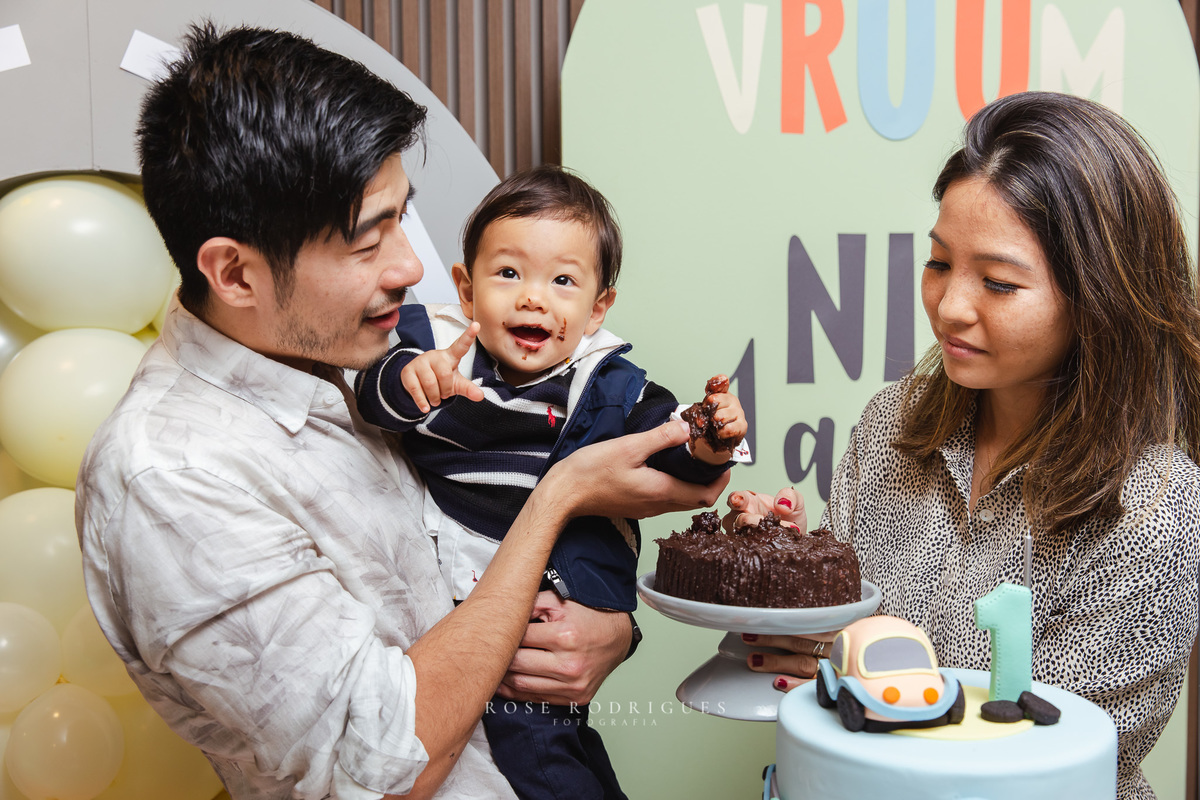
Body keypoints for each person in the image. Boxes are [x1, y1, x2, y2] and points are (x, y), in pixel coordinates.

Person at [74, 23, 727, 800]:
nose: (411, 267)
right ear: (236, 274)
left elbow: (462, 578)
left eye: (401, 216)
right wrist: (562, 495)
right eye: (366, 240)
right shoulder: (173, 478)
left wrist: (604, 632)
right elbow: (393, 765)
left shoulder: (353, 357)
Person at [729, 91, 1200, 800]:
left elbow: (1041, 755)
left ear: (1100, 298)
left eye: (1000, 283)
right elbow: (817, 656)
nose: (949, 306)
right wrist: (797, 574)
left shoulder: (1155, 512)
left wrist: (844, 660)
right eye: (940, 262)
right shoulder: (892, 424)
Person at [353, 165, 748, 799]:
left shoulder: (612, 386)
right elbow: (373, 392)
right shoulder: (437, 347)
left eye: (563, 281)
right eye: (508, 274)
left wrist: (712, 435)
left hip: (560, 609)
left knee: (567, 748)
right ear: (465, 288)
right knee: (545, 764)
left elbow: (676, 452)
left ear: (597, 309)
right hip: (470, 603)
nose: (534, 297)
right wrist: (413, 381)